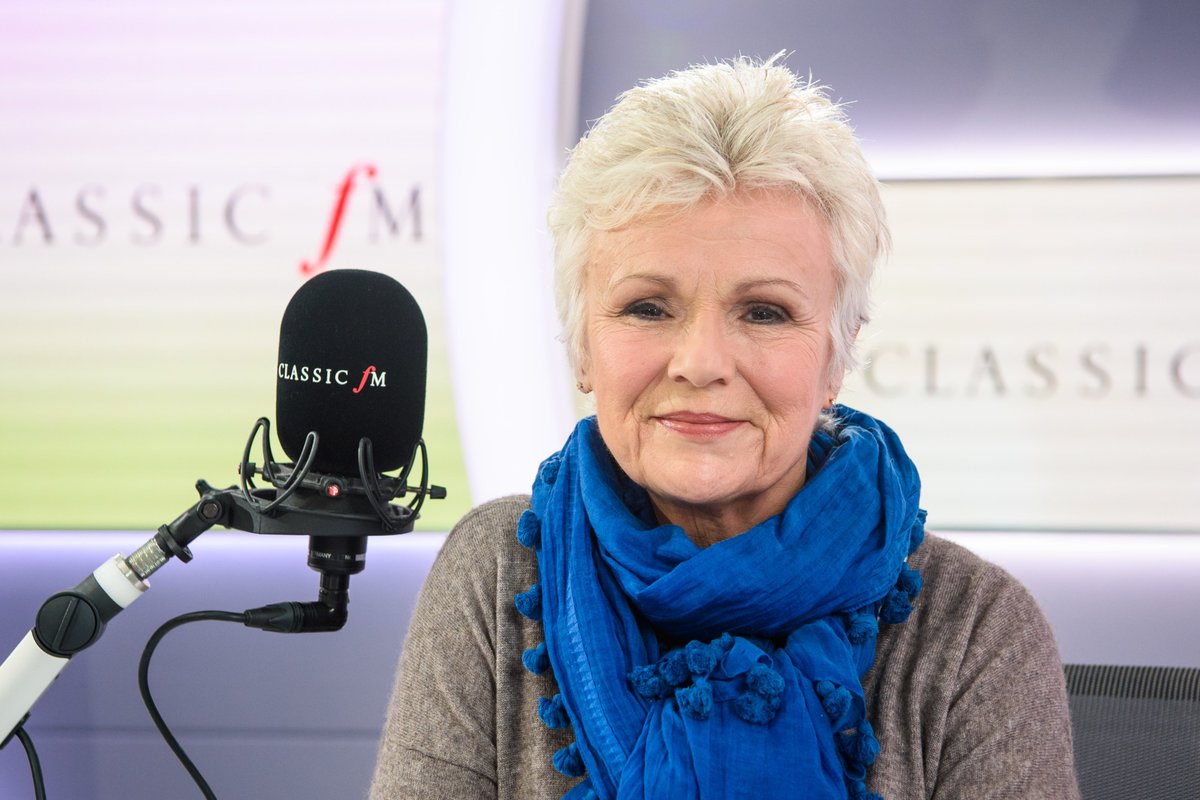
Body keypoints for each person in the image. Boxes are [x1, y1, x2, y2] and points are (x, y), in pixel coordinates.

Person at [370, 55, 1079, 799]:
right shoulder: (496, 572)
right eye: (648, 308)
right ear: (582, 348)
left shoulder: (973, 628)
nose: (701, 363)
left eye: (764, 312)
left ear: (836, 356)